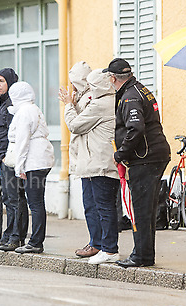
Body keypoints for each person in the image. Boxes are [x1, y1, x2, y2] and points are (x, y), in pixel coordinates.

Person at [104, 58, 170, 268]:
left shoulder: (130, 97)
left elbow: (136, 128)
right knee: (147, 208)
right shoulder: (139, 89)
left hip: (145, 157)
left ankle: (141, 256)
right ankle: (145, 255)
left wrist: (121, 153)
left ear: (113, 78)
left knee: (141, 209)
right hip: (155, 154)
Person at [62, 68, 120, 264]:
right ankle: (100, 244)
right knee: (95, 206)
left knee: (102, 207)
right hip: (93, 162)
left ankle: (108, 248)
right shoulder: (100, 101)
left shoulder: (99, 103)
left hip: (100, 163)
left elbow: (75, 125)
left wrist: (69, 106)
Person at [5, 82, 54, 254]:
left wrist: (19, 167)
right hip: (42, 159)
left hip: (33, 161)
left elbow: (22, 141)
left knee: (35, 204)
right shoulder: (32, 108)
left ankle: (35, 242)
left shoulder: (24, 112)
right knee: (37, 202)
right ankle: (36, 241)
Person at [0, 68, 29, 251]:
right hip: (4, 159)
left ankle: (16, 236)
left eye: (2, 81)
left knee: (15, 198)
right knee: (8, 198)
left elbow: (14, 133)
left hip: (11, 159)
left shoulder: (13, 105)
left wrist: (6, 156)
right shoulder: (4, 104)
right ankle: (9, 234)